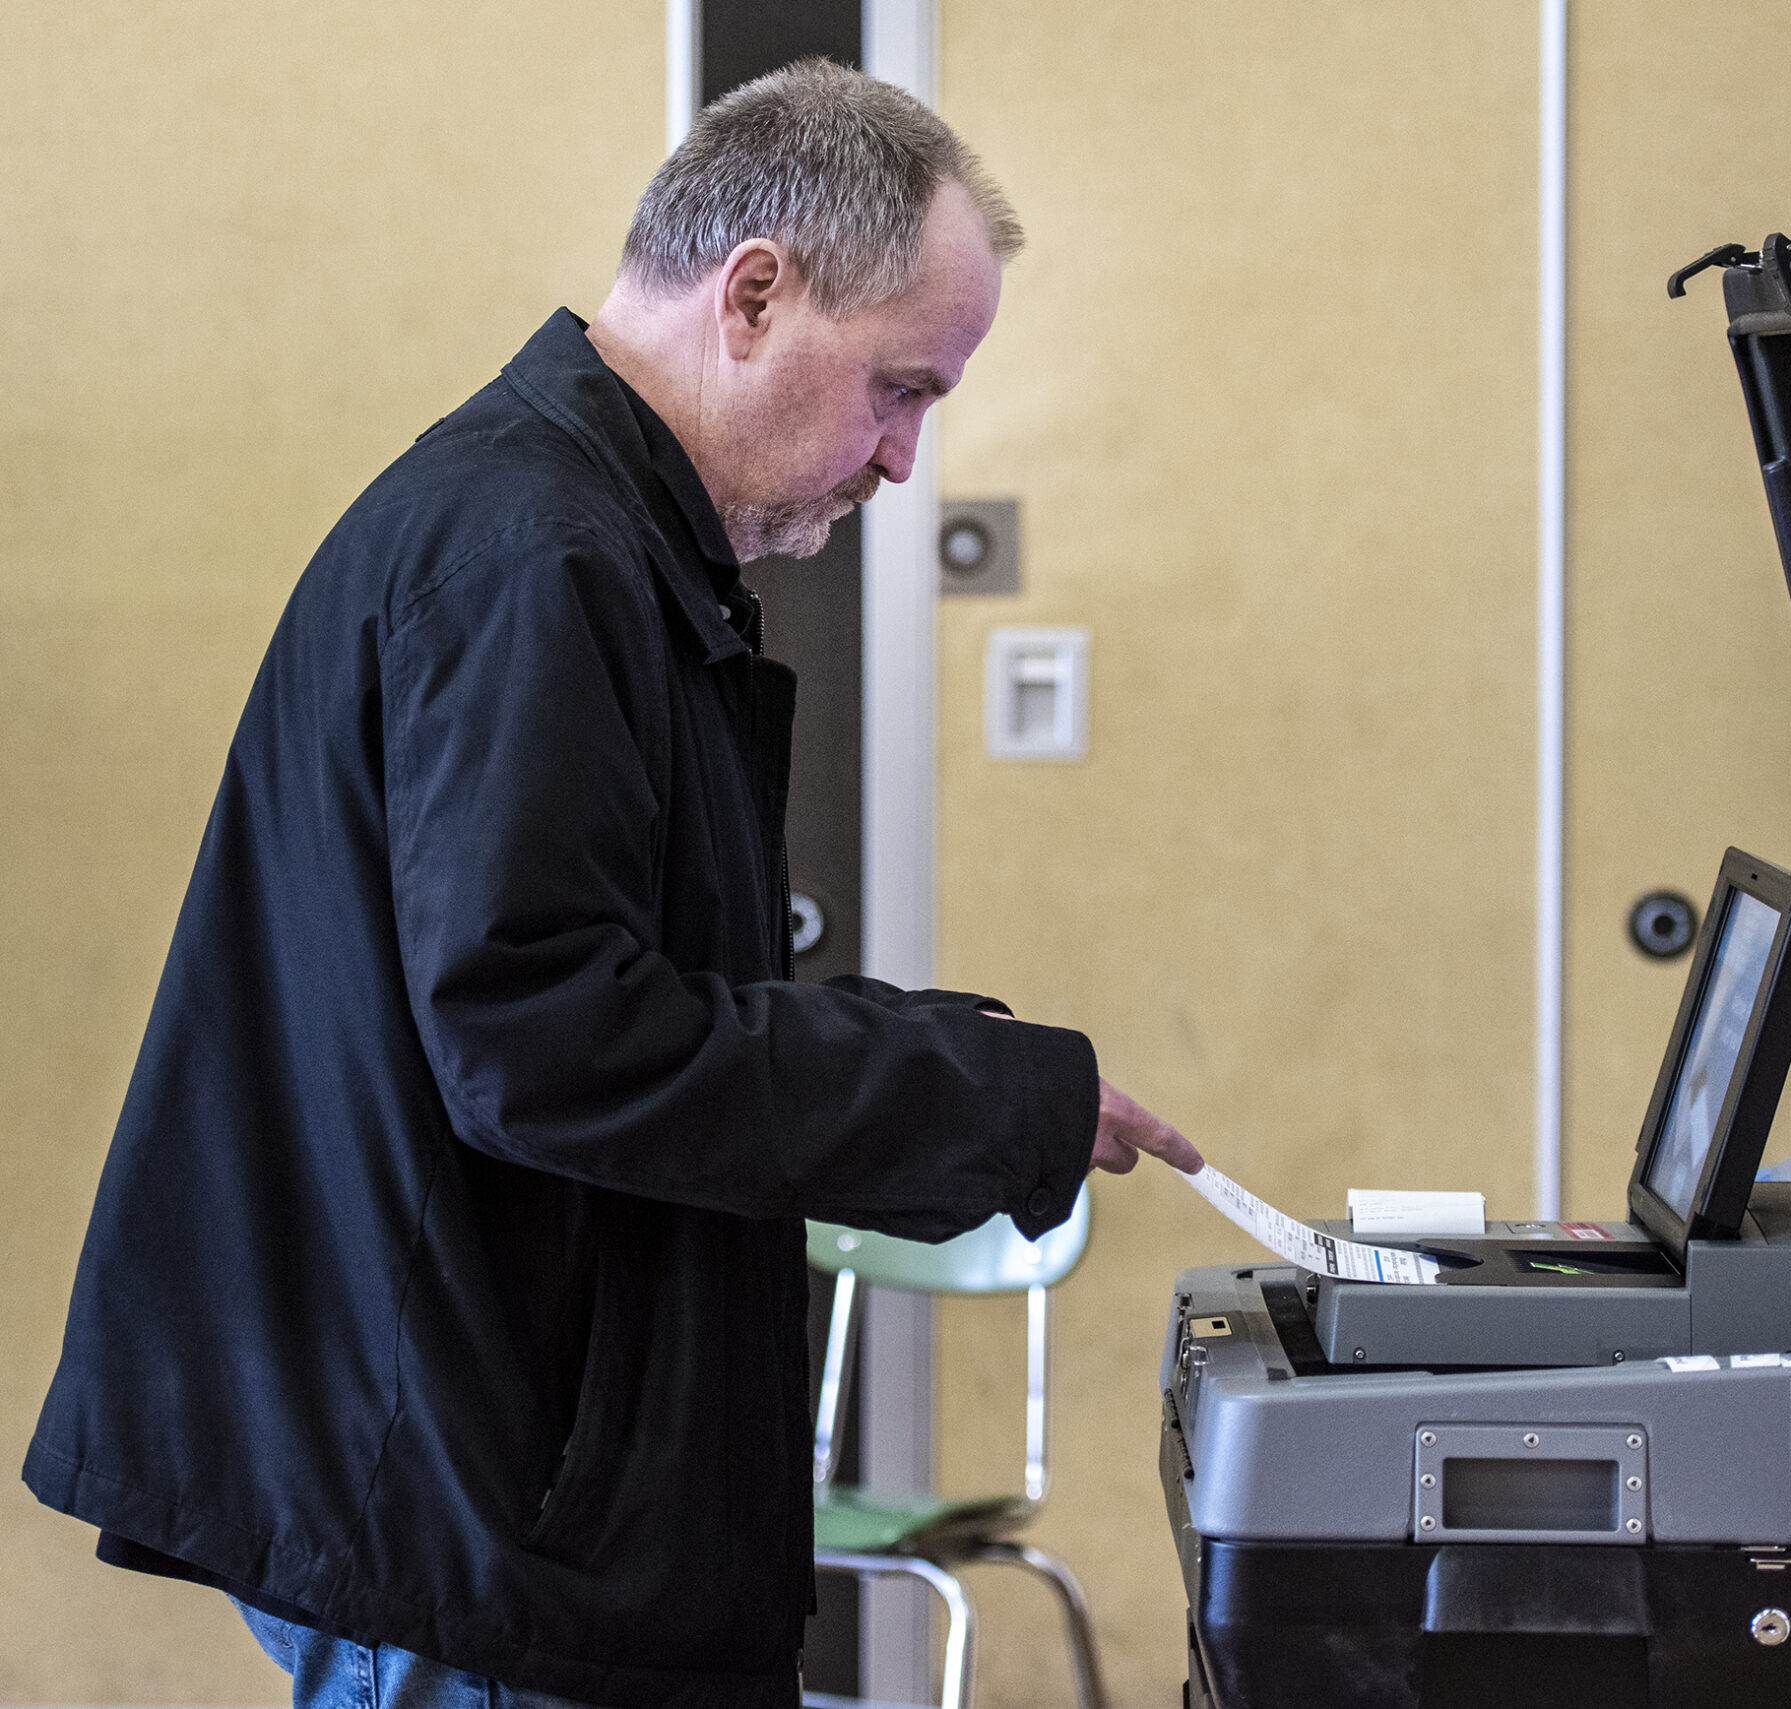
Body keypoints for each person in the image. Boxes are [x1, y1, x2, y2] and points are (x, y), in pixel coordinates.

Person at [22, 60, 1198, 1709]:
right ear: (757, 293)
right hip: (476, 1523)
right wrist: (970, 1094)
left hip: (492, 1487)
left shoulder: (582, 536)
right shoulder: (536, 554)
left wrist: (975, 1072)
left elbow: (617, 995)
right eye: (901, 390)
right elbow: (548, 1037)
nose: (905, 462)